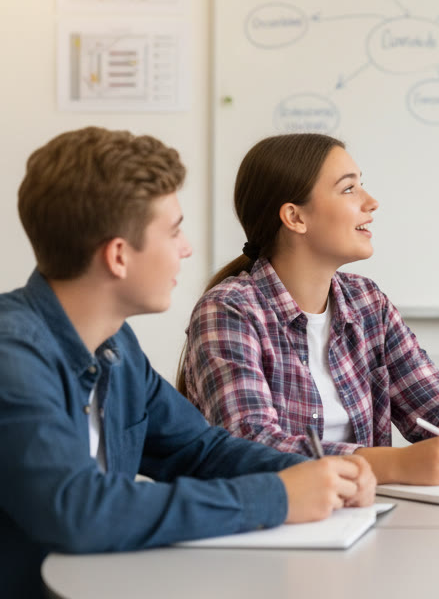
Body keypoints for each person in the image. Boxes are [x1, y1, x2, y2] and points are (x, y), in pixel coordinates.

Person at [0, 128, 374, 599]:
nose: (187, 248)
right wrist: (278, 498)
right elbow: (79, 511)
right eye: (174, 231)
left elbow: (199, 449)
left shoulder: (117, 347)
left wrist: (313, 476)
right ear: (118, 256)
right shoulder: (12, 355)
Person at [180, 133, 439, 487]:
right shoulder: (229, 309)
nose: (371, 202)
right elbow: (250, 445)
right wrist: (388, 465)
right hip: (271, 523)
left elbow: (434, 403)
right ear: (295, 217)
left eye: (363, 185)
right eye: (349, 189)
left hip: (361, 517)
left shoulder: (366, 301)